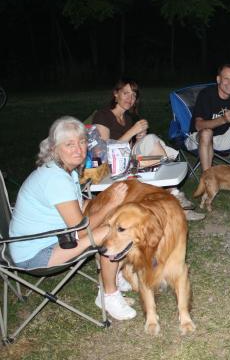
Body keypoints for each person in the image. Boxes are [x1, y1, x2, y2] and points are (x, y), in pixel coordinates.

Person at [9, 116, 137, 320]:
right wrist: (111, 203)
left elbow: (82, 207)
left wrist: (108, 204)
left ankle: (114, 275)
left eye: (82, 142)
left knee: (113, 218)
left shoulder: (67, 172)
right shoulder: (55, 179)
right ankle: (108, 295)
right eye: (69, 144)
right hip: (35, 254)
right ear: (54, 148)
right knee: (113, 231)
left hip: (52, 239)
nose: (78, 149)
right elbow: (79, 230)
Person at [93, 79, 204, 221]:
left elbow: (130, 147)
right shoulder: (103, 115)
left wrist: (139, 138)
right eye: (125, 93)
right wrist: (133, 132)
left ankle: (173, 196)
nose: (130, 98)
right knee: (152, 141)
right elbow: (103, 152)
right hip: (111, 165)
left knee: (151, 139)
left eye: (133, 95)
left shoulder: (128, 118)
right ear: (116, 94)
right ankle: (175, 196)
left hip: (129, 160)